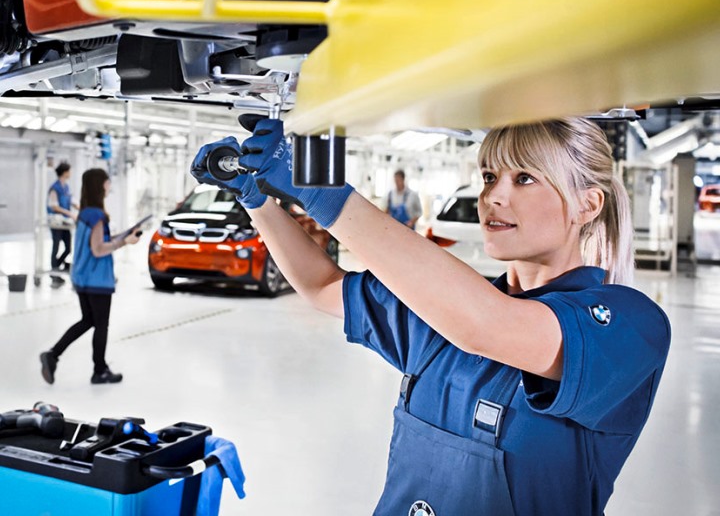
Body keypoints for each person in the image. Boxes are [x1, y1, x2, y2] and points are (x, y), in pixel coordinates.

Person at [191, 117, 671, 516]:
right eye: (488, 177)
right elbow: (323, 287)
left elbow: (488, 327)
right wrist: (257, 201)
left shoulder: (628, 327)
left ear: (588, 205)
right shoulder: (444, 309)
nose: (493, 197)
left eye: (523, 178)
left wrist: (325, 195)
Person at [40, 168, 141, 386]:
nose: (109, 186)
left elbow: (98, 240)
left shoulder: (85, 213)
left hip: (82, 276)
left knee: (88, 320)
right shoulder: (97, 215)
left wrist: (122, 235)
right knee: (100, 325)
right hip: (97, 279)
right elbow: (98, 249)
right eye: (107, 182)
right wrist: (125, 242)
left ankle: (53, 354)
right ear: (100, 185)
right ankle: (100, 370)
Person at [47, 162, 78, 282]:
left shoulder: (66, 187)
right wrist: (69, 213)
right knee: (56, 246)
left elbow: (72, 201)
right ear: (65, 172)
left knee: (68, 248)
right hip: (56, 222)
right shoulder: (54, 188)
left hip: (65, 223)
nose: (70, 173)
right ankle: (54, 272)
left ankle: (56, 267)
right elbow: (54, 206)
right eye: (69, 171)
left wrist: (83, 208)